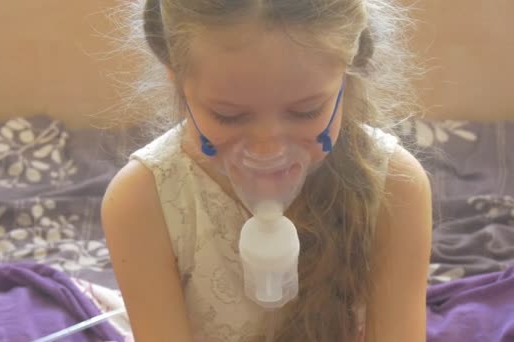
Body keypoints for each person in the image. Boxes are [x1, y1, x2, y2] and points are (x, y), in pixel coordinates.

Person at [101, 0, 431, 341]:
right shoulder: (145, 202)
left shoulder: (393, 186)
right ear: (176, 77)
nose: (268, 150)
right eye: (228, 116)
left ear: (348, 72)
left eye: (307, 111)